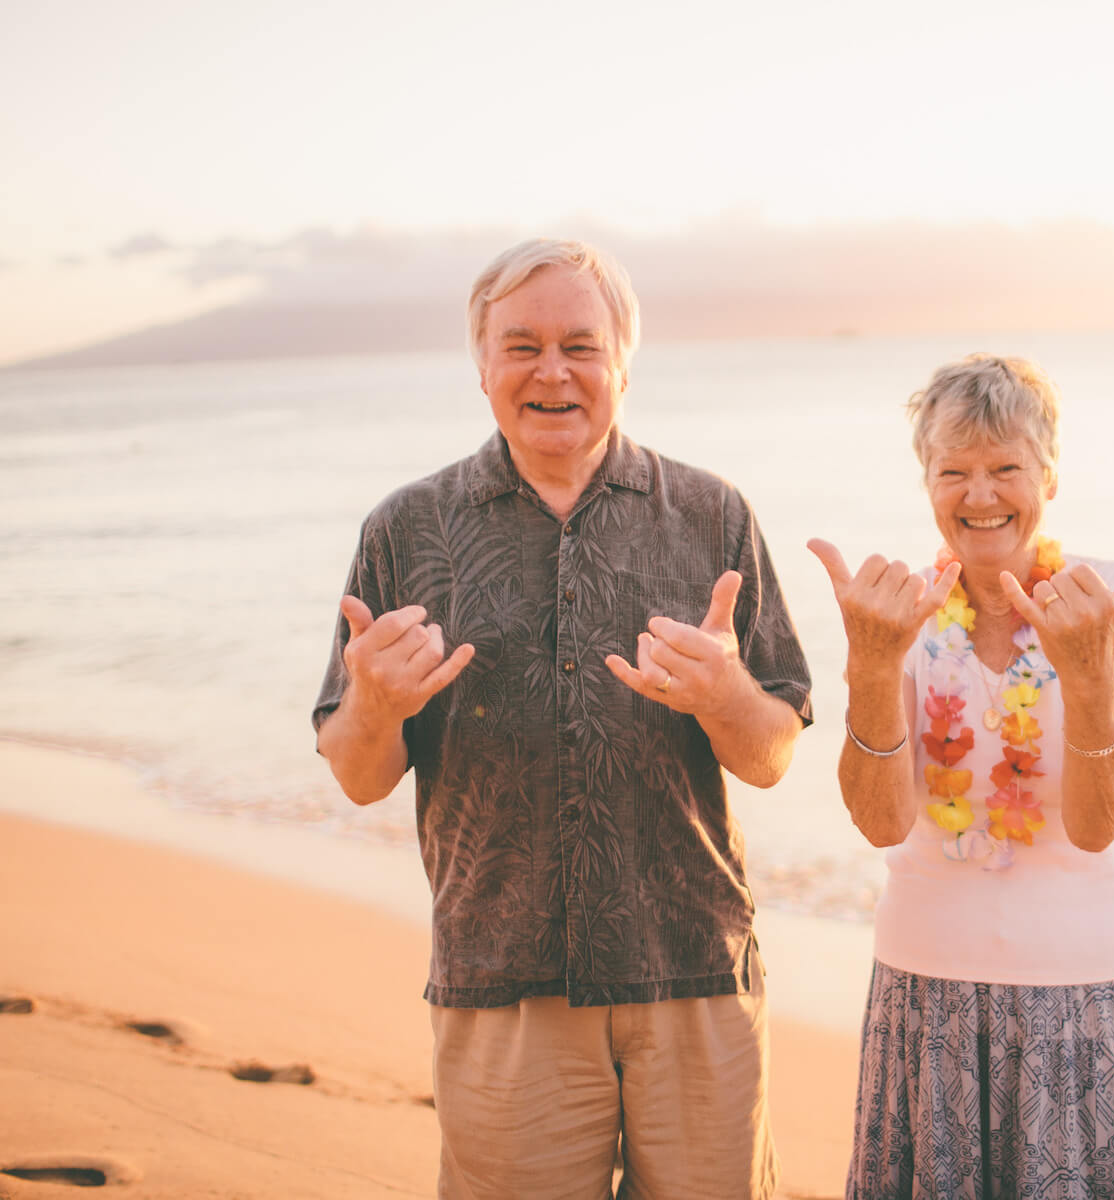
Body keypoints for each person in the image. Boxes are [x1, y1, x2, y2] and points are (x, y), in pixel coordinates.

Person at [312, 237, 813, 1200]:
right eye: (522, 345)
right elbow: (359, 774)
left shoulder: (713, 518)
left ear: (623, 359)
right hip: (501, 973)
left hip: (693, 966)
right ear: (483, 362)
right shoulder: (405, 531)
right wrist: (375, 705)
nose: (552, 372)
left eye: (580, 345)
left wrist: (723, 696)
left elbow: (770, 756)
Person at [808, 354, 1114, 1199]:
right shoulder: (904, 609)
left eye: (1005, 469)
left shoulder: (1107, 603)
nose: (980, 495)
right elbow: (882, 822)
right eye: (953, 471)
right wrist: (873, 667)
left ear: (1049, 477)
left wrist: (1090, 672)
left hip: (1086, 994)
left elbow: (1103, 825)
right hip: (927, 995)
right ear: (927, 483)